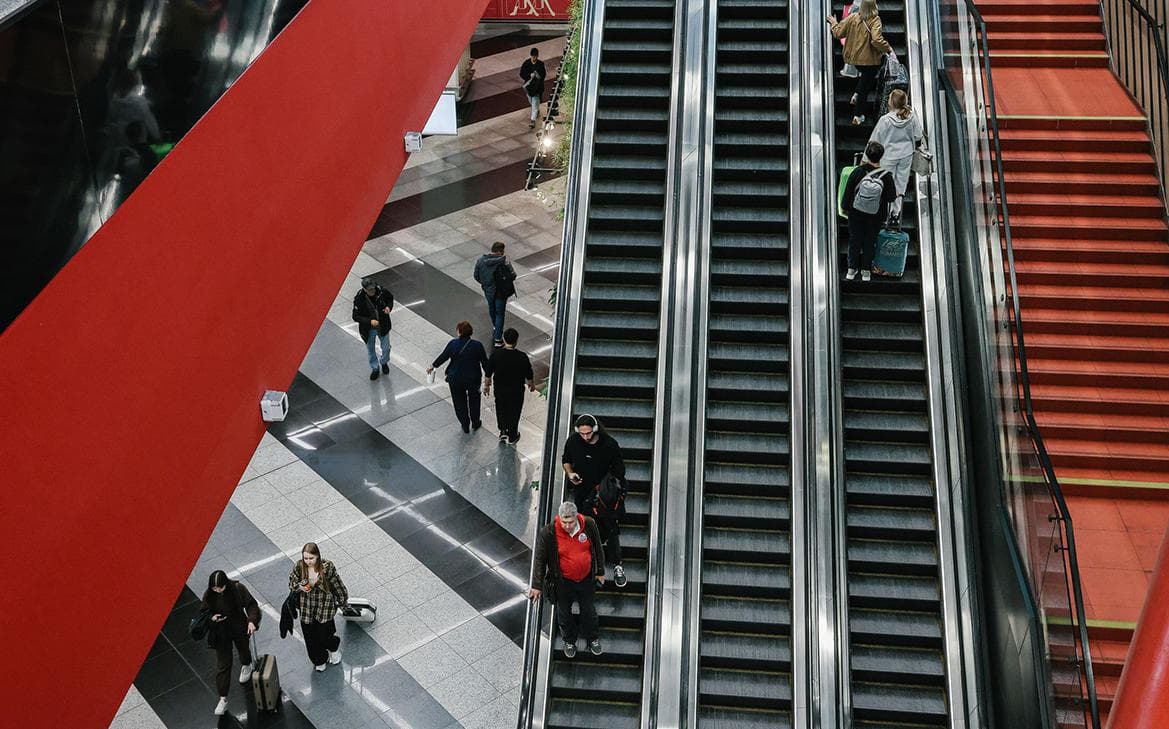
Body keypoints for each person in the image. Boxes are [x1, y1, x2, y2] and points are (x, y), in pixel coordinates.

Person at [528, 501, 606, 658]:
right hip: (563, 582)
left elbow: (597, 547)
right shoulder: (549, 532)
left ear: (576, 517)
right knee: (564, 613)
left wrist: (600, 571)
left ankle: (592, 638)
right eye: (564, 522)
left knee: (588, 611)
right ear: (559, 518)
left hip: (586, 580)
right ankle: (569, 641)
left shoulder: (589, 524)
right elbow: (540, 559)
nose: (567, 526)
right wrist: (536, 585)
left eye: (571, 522)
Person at [561, 414, 629, 588]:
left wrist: (607, 485)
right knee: (586, 529)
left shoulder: (609, 445)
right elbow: (566, 460)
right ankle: (592, 567)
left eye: (589, 433)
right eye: (582, 433)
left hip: (604, 497)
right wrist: (570, 473)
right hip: (583, 495)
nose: (585, 437)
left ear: (596, 429)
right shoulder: (573, 441)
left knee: (611, 529)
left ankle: (617, 565)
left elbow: (620, 470)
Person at [201, 570, 260, 716]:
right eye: (215, 588)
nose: (218, 591)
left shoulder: (238, 589)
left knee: (243, 649)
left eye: (220, 587)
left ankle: (246, 664)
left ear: (225, 584)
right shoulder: (209, 595)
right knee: (223, 664)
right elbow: (203, 612)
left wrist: (251, 621)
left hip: (239, 627)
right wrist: (212, 618)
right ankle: (223, 698)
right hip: (221, 633)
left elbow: (251, 605)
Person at [828, 0, 892, 126]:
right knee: (866, 87)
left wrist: (834, 22)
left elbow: (838, 33)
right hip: (870, 61)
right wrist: (887, 48)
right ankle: (857, 115)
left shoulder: (852, 17)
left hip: (855, 60)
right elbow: (876, 40)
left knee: (865, 78)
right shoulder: (875, 20)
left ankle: (856, 95)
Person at [287, 542, 349, 672]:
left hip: (324, 608)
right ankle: (319, 659)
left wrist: (342, 600)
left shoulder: (327, 568)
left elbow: (337, 585)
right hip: (307, 609)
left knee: (325, 636)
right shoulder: (299, 567)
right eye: (305, 558)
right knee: (310, 639)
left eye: (311, 558)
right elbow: (292, 583)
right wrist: (299, 587)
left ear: (317, 556)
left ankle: (333, 648)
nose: (308, 561)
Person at [841, 141, 897, 282]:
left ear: (867, 155)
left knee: (855, 240)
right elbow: (891, 197)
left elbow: (848, 192)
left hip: (856, 213)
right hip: (875, 216)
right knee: (870, 242)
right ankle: (866, 271)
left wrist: (845, 207)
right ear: (881, 156)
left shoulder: (857, 172)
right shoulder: (886, 176)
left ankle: (851, 269)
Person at [868, 89, 923, 222]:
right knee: (900, 184)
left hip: (888, 156)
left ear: (891, 102)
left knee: (886, 183)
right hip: (906, 155)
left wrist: (866, 158)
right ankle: (895, 213)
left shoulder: (885, 120)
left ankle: (885, 213)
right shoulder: (912, 117)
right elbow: (918, 136)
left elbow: (875, 140)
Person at [428, 321, 491, 433]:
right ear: (471, 332)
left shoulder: (453, 344)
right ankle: (475, 422)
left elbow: (443, 356)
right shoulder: (477, 345)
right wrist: (488, 379)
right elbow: (485, 363)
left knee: (459, 402)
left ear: (459, 332)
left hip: (455, 378)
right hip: (473, 379)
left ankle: (465, 424)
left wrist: (433, 366)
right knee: (474, 401)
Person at [484, 327, 536, 445]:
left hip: (500, 389)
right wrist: (531, 384)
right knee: (514, 411)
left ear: (503, 339)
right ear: (516, 340)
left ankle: (503, 430)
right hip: (516, 390)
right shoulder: (522, 356)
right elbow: (529, 372)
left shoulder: (496, 355)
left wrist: (486, 386)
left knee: (501, 408)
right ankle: (512, 435)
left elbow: (488, 373)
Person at [472, 241, 518, 347]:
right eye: (502, 251)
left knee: (492, 309)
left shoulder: (481, 261)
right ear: (499, 251)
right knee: (500, 314)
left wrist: (486, 284)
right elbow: (513, 275)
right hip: (501, 292)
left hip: (488, 291)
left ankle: (495, 327)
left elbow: (476, 276)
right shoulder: (504, 261)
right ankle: (498, 339)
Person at [352, 277, 395, 380]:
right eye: (370, 289)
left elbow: (390, 298)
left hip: (383, 325)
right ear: (364, 289)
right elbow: (355, 316)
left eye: (373, 288)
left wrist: (389, 307)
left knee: (386, 348)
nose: (372, 291)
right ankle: (375, 368)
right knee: (370, 350)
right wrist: (369, 321)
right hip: (368, 330)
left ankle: (384, 362)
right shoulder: (359, 299)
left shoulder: (381, 291)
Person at [519, 47, 546, 129]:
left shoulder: (540, 64)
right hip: (529, 87)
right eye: (533, 56)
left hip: (537, 88)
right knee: (531, 101)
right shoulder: (526, 63)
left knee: (534, 103)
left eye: (535, 56)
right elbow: (521, 73)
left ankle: (533, 120)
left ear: (537, 56)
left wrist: (538, 76)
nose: (534, 58)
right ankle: (536, 110)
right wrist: (529, 75)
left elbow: (543, 75)